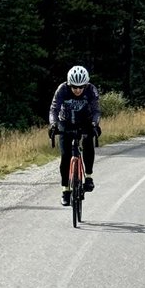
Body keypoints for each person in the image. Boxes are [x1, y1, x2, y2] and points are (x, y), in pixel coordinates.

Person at [49, 65, 102, 207]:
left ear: (85, 85)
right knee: (65, 156)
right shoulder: (62, 90)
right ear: (69, 84)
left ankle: (89, 177)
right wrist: (53, 125)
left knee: (88, 141)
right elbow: (54, 109)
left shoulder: (91, 90)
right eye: (74, 87)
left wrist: (94, 124)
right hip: (65, 122)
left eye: (81, 87)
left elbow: (97, 110)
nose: (77, 90)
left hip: (85, 122)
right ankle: (65, 190)